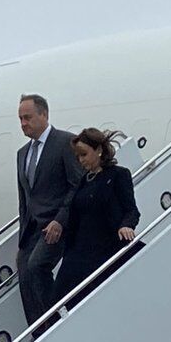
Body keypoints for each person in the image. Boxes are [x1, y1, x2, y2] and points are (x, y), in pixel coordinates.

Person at [16, 94, 83, 328]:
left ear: (44, 115)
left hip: (57, 225)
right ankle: (38, 332)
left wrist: (60, 221)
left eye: (28, 117)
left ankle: (55, 325)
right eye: (20, 119)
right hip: (32, 228)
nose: (23, 123)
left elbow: (77, 184)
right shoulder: (22, 154)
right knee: (24, 273)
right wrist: (23, 232)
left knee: (37, 267)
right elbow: (24, 197)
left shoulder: (65, 142)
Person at [53, 128, 140, 305]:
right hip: (78, 252)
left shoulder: (118, 175)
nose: (81, 160)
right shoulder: (83, 181)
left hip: (104, 248)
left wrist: (127, 225)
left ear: (99, 150)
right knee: (58, 299)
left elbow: (131, 210)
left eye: (84, 154)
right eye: (78, 156)